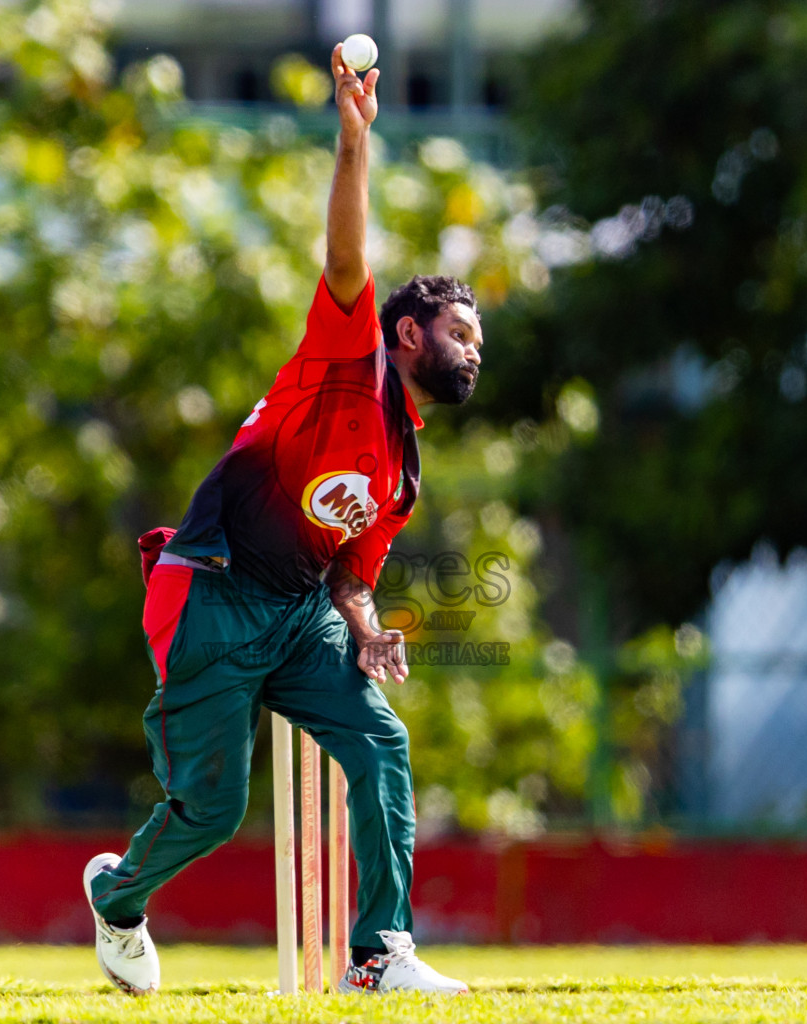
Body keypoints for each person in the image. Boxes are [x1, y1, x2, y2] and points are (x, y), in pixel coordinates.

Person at [82, 41, 482, 997]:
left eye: (481, 341)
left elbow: (351, 572)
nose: (476, 351)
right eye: (462, 333)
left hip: (301, 612)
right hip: (212, 591)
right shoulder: (348, 364)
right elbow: (348, 255)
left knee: (381, 740)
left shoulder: (401, 476)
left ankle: (379, 954)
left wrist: (368, 628)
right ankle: (118, 898)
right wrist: (354, 139)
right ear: (408, 332)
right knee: (214, 812)